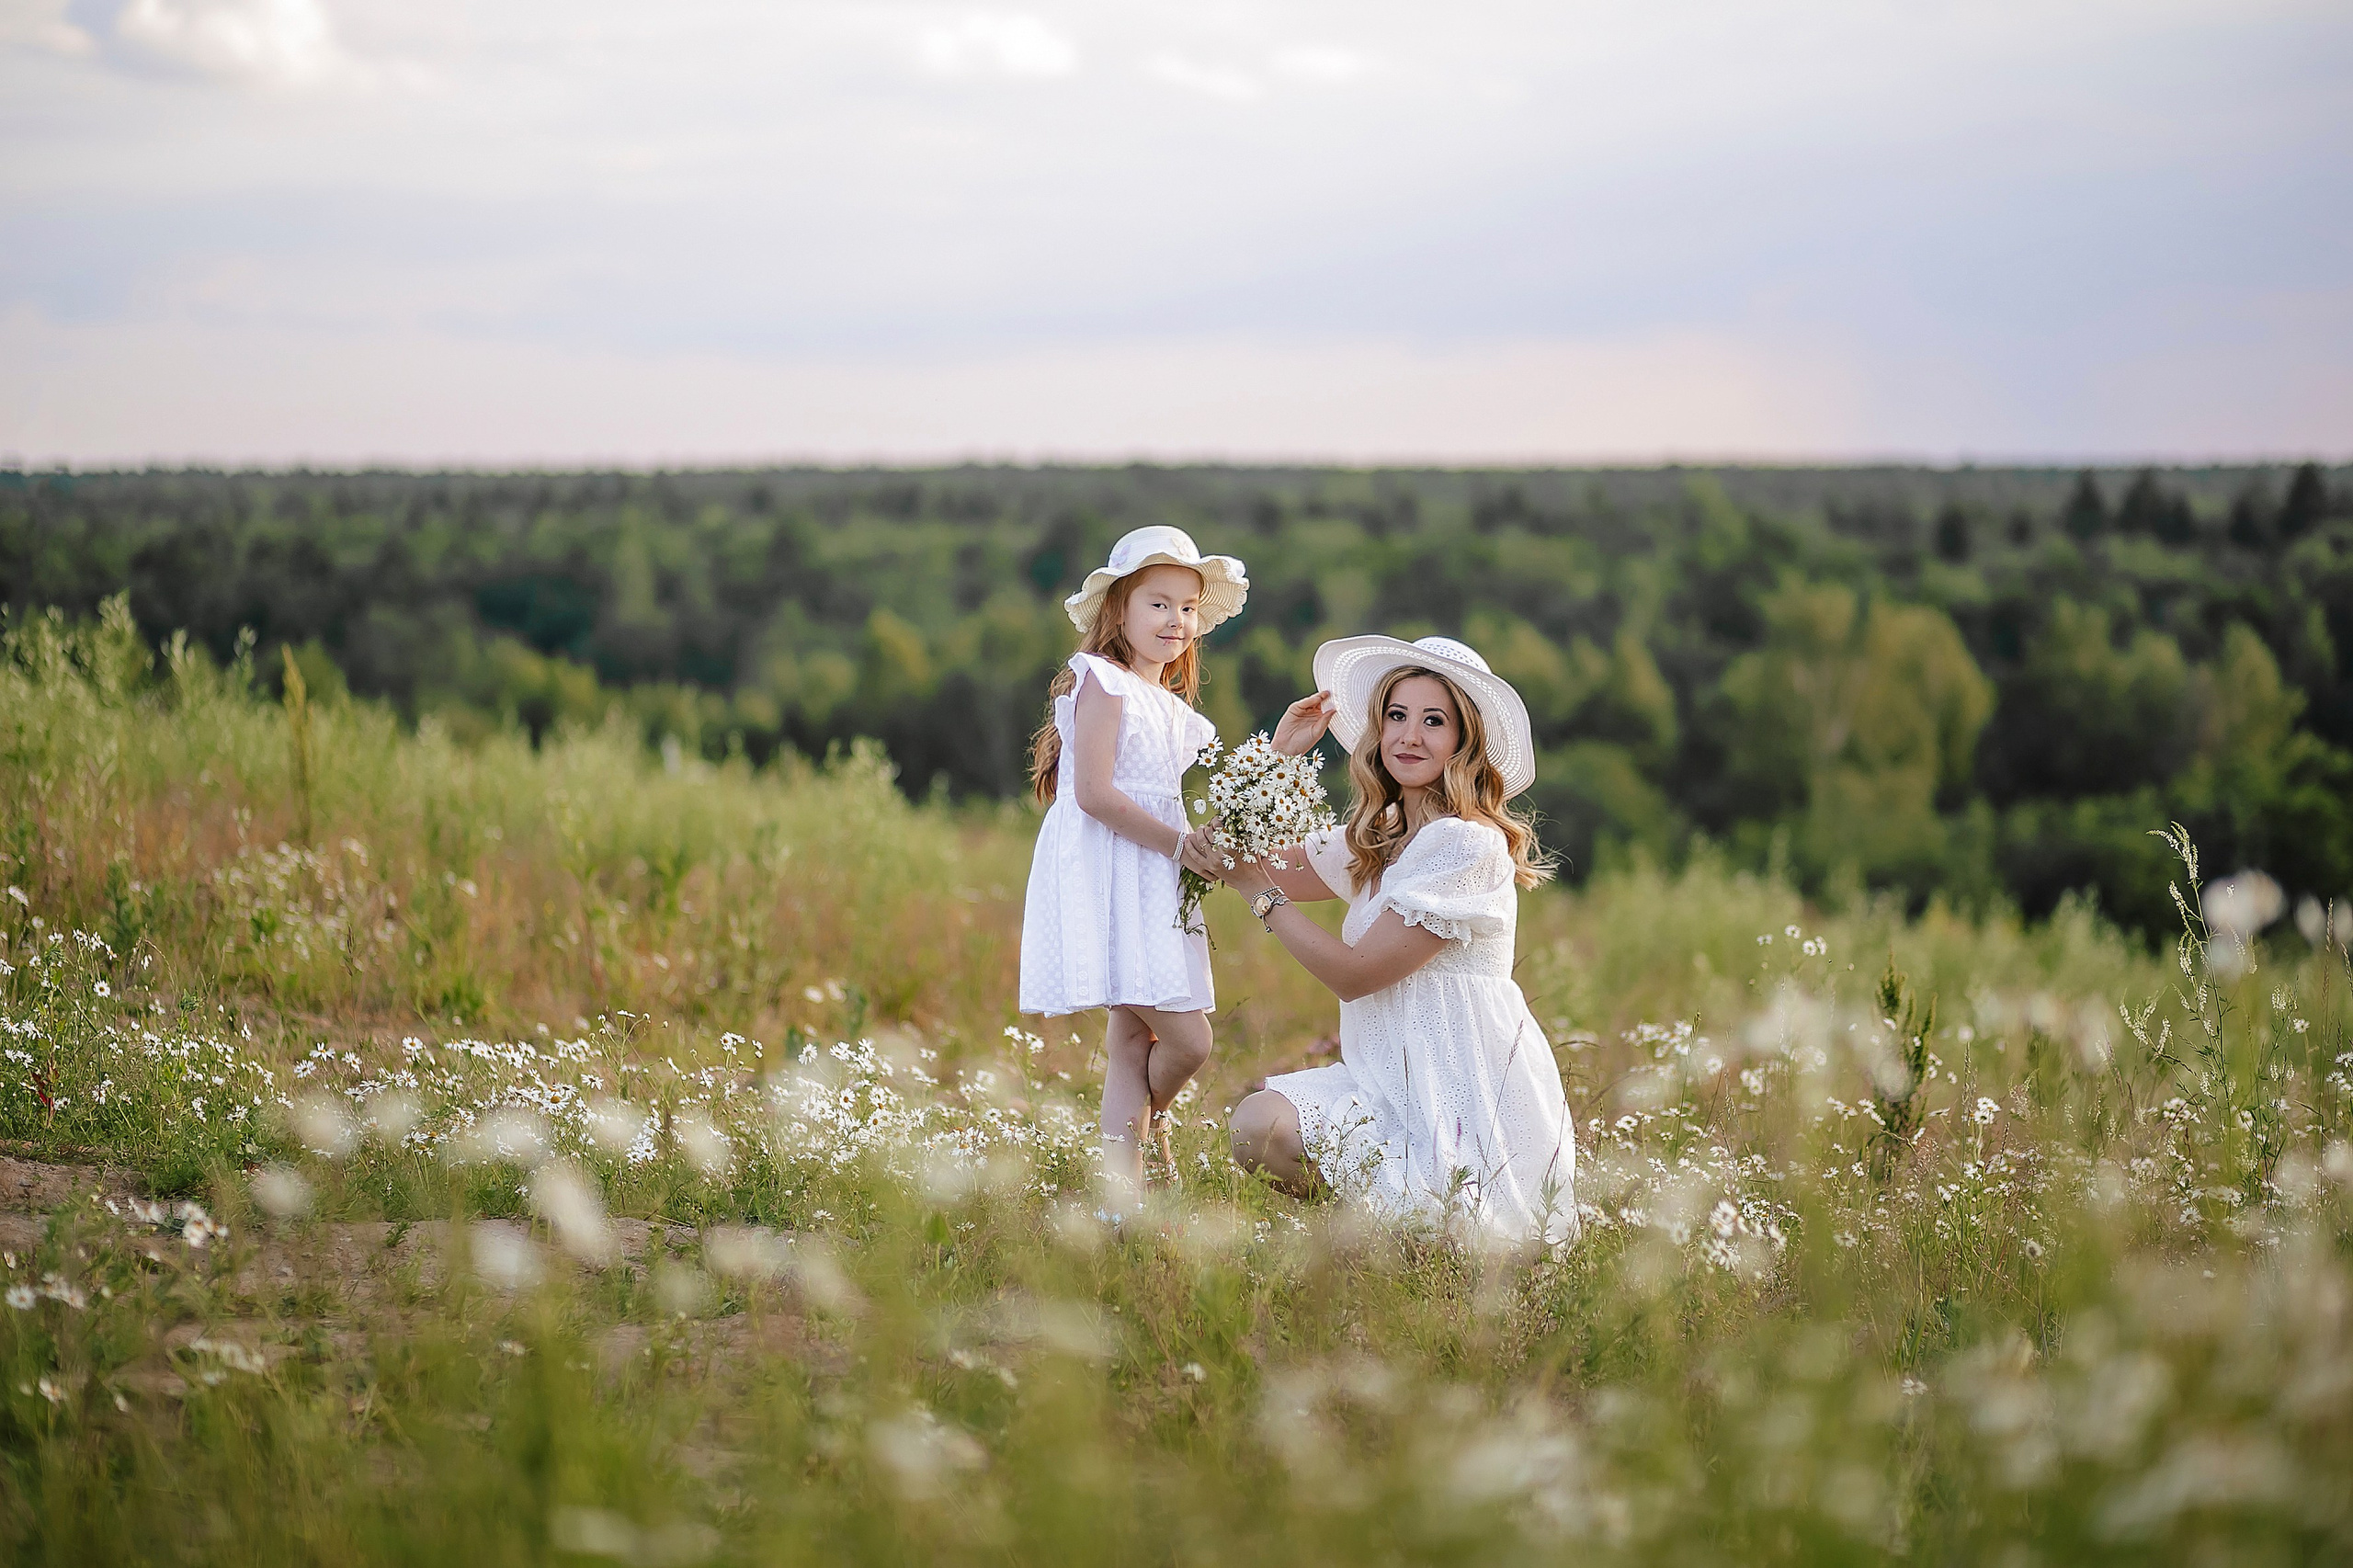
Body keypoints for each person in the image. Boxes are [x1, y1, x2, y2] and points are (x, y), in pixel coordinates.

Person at [1181, 634, 1577, 1246]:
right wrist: (1277, 758)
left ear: (1463, 741)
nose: (1409, 735)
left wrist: (1260, 894)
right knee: (1259, 1125)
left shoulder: (1466, 844)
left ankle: (1394, 1246)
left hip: (1458, 1091)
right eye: (1397, 716)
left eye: (1433, 721)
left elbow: (1355, 972)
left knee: (1466, 1244)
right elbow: (1231, 852)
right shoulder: (1380, 834)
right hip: (1384, 1085)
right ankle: (1370, 1241)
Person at [1021, 525, 1249, 1206]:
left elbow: (1177, 795)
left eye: (1186, 608)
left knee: (1133, 1042)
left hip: (1153, 876)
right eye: (1158, 603)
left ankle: (1119, 1197)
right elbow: (1091, 793)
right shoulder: (1104, 682)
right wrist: (1179, 845)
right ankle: (1148, 1138)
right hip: (1114, 873)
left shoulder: (1171, 707)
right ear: (1118, 610)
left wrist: (1203, 839)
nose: (1175, 620)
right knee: (1189, 1040)